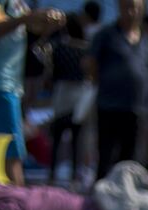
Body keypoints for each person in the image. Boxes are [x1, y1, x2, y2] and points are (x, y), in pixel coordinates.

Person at [0, 0, 67, 186]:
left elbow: (32, 30)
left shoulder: (18, 4)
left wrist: (50, 23)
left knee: (10, 155)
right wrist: (25, 18)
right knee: (8, 157)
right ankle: (18, 207)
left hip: (10, 88)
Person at [88, 0, 148, 179]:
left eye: (137, 8)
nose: (132, 12)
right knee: (106, 154)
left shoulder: (145, 37)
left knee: (130, 159)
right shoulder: (106, 34)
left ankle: (124, 193)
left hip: (136, 106)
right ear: (120, 8)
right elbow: (91, 64)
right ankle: (100, 195)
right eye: (128, 7)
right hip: (109, 105)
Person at [47, 14, 89, 186]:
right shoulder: (85, 49)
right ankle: (74, 173)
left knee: (56, 137)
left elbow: (50, 73)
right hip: (79, 94)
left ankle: (52, 173)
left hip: (62, 92)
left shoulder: (58, 48)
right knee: (76, 138)